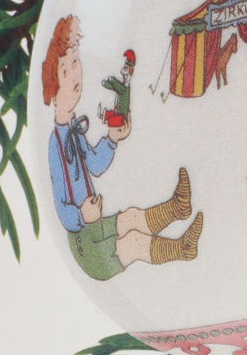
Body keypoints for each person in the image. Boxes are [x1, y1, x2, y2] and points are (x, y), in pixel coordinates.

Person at [43, 17, 202, 280]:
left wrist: (112, 139)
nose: (75, 75)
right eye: (65, 70)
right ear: (52, 85)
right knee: (133, 242)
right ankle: (183, 248)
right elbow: (61, 205)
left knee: (131, 217)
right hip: (86, 246)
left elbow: (95, 164)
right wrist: (82, 215)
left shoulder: (75, 132)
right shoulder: (55, 144)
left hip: (94, 225)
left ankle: (177, 208)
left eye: (75, 62)